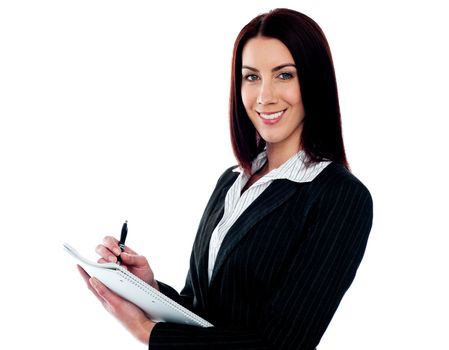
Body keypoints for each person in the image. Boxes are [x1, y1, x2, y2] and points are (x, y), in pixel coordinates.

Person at [78, 8, 373, 349]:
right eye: (251, 77)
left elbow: (282, 343)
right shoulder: (231, 182)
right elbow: (204, 313)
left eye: (284, 75)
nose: (264, 96)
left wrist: (148, 331)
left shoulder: (340, 197)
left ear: (314, 81)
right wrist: (150, 290)